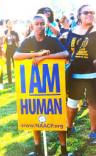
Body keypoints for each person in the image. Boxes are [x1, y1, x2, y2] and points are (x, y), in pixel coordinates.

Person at [14, 14, 74, 156]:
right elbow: (15, 56)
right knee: (34, 113)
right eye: (37, 24)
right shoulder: (28, 41)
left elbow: (65, 53)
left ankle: (64, 149)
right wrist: (35, 53)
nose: (40, 26)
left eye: (42, 24)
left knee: (58, 116)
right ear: (32, 25)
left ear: (46, 25)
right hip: (34, 84)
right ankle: (37, 149)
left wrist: (44, 57)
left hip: (53, 84)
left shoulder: (52, 40)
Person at [66, 5, 96, 144]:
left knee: (93, 103)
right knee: (72, 103)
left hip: (93, 75)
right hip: (75, 75)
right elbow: (67, 51)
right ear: (79, 15)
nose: (90, 14)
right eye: (86, 12)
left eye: (92, 12)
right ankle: (69, 126)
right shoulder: (72, 32)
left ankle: (93, 132)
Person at [4, 19, 19, 84]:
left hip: (14, 49)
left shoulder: (15, 32)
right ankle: (9, 81)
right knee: (8, 65)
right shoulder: (4, 32)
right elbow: (4, 39)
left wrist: (18, 49)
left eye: (11, 23)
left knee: (15, 65)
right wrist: (9, 30)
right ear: (6, 24)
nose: (10, 24)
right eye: (8, 23)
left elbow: (18, 43)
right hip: (7, 50)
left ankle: (17, 79)